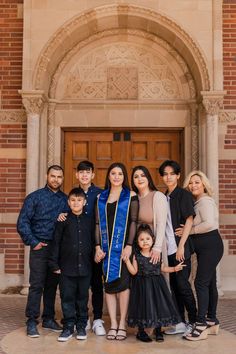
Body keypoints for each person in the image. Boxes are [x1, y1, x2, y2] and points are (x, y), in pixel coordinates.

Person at [17, 165, 69, 338]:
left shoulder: (66, 200)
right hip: (40, 248)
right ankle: (32, 321)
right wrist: (34, 242)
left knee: (52, 286)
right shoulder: (34, 197)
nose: (56, 179)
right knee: (36, 285)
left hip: (57, 251)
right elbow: (23, 222)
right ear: (47, 176)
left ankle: (49, 318)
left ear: (63, 178)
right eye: (53, 176)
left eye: (59, 177)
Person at [58, 160, 105, 336]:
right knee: (78, 287)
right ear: (77, 174)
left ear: (93, 175)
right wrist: (62, 215)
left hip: (95, 247)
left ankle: (98, 318)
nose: (85, 175)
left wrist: (100, 246)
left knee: (96, 284)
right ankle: (80, 319)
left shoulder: (101, 194)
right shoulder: (70, 196)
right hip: (75, 250)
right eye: (81, 172)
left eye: (88, 172)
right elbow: (66, 214)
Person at [95, 162, 138, 341]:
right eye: (113, 173)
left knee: (123, 286)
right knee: (109, 286)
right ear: (109, 176)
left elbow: (133, 222)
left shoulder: (131, 196)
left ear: (124, 176)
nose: (116, 176)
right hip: (106, 249)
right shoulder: (101, 197)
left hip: (123, 249)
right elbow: (97, 224)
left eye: (120, 173)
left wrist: (129, 245)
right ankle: (112, 323)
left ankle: (122, 323)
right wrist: (97, 246)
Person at [180, 170, 224, 341]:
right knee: (210, 282)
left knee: (200, 283)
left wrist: (188, 230)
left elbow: (210, 224)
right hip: (206, 247)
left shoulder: (205, 201)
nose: (193, 185)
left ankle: (200, 325)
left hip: (210, 246)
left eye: (197, 182)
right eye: (191, 183)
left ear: (204, 184)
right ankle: (211, 320)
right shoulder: (197, 202)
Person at [49, 188, 93, 342]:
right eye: (73, 200)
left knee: (82, 297)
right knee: (67, 297)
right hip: (66, 268)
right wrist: (54, 263)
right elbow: (56, 243)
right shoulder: (63, 220)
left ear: (84, 202)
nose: (76, 203)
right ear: (68, 202)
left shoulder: (89, 220)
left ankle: (81, 325)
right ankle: (68, 326)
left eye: (79, 200)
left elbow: (94, 242)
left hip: (85, 267)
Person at [126, 224, 183, 342]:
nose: (145, 242)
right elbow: (133, 271)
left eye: (148, 239)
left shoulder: (157, 254)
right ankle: (141, 332)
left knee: (159, 306)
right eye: (142, 239)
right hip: (142, 286)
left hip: (157, 285)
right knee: (142, 307)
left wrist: (174, 269)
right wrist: (127, 261)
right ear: (137, 241)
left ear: (153, 240)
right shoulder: (137, 256)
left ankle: (158, 330)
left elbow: (162, 268)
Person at [159, 160, 197, 337]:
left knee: (183, 285)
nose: (168, 177)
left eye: (172, 173)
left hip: (180, 249)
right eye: (165, 174)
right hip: (168, 250)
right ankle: (180, 322)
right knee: (173, 287)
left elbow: (189, 219)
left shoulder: (183, 194)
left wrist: (181, 246)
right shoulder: (164, 196)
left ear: (178, 175)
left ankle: (195, 321)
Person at [131, 165, 168, 341]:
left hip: (154, 246)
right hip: (138, 248)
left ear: (148, 177)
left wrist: (157, 248)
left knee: (157, 289)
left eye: (143, 175)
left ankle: (159, 327)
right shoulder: (133, 197)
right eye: (136, 176)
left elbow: (161, 223)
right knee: (140, 289)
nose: (139, 179)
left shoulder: (157, 196)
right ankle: (143, 326)